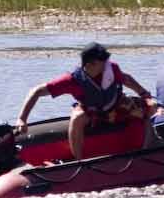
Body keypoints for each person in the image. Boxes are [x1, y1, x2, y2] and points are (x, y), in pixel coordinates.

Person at [15, 42, 153, 161]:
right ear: (90, 64)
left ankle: (147, 151)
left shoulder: (112, 69)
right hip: (91, 111)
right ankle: (79, 161)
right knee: (77, 118)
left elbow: (126, 79)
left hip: (116, 105)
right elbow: (36, 91)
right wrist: (22, 119)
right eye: (102, 61)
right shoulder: (72, 81)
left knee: (149, 108)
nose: (106, 64)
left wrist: (144, 93)